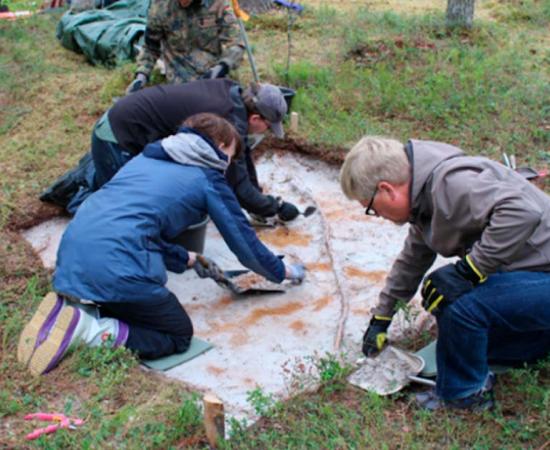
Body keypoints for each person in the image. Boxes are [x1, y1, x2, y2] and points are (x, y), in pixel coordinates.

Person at [18, 113, 306, 376]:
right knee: (176, 335)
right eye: (230, 156)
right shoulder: (208, 178)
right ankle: (90, 331)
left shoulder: (145, 159)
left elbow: (134, 226)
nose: (229, 165)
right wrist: (283, 272)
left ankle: (76, 313)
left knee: (131, 304)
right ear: (219, 146)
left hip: (73, 253)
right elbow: (246, 247)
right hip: (117, 267)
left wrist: (185, 258)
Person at [339, 136, 550, 411]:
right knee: (466, 339)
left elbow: (523, 212)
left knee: (457, 302)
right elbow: (412, 260)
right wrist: (382, 316)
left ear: (387, 189)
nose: (377, 215)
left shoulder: (453, 184)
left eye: (371, 208)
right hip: (536, 273)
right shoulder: (424, 199)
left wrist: (468, 271)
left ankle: (464, 395)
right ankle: (536, 342)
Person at [42, 79, 300, 222]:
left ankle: (90, 177)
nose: (266, 131)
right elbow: (237, 183)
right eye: (268, 126)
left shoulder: (231, 93)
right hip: (118, 137)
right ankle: (80, 201)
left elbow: (242, 163)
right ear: (256, 117)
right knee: (129, 208)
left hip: (124, 124)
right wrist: (273, 208)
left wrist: (260, 199)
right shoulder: (226, 122)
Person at [126, 0, 244, 94]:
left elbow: (236, 42)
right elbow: (151, 47)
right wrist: (142, 75)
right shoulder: (160, 6)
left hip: (214, 75)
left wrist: (222, 66)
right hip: (180, 81)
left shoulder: (217, 3)